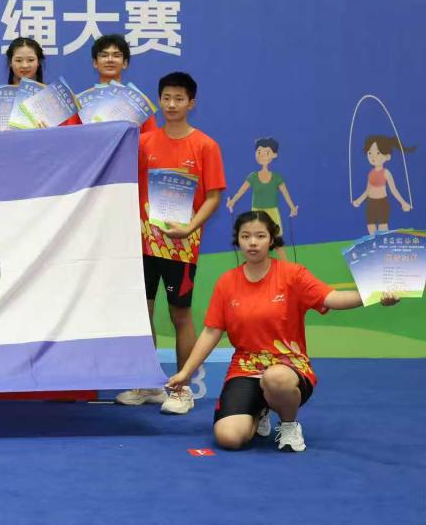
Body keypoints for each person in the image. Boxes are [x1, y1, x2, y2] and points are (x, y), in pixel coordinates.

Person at [167, 211, 399, 452]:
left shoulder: (293, 275)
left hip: (288, 368)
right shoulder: (226, 282)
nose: (253, 242)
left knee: (275, 378)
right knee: (229, 438)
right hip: (245, 368)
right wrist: (186, 372)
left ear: (271, 240)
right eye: (246, 236)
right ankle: (259, 410)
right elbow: (211, 332)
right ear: (238, 240)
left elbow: (333, 298)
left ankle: (288, 425)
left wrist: (374, 295)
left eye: (260, 236)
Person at [117, 71, 226, 414]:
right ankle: (148, 383)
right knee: (143, 312)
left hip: (182, 245)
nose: (172, 104)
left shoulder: (205, 145)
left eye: (179, 99)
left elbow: (213, 196)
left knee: (180, 313)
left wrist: (190, 226)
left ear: (191, 103)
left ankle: (182, 388)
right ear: (159, 101)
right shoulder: (144, 143)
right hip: (143, 242)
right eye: (166, 98)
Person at [226, 137, 299, 259]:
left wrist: (292, 208)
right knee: (256, 240)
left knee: (277, 241)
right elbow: (241, 191)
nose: (262, 156)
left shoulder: (277, 178)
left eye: (266, 152)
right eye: (259, 152)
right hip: (257, 213)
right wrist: (232, 202)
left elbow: (286, 194)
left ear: (274, 155)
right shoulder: (253, 177)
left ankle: (287, 266)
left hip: (272, 213)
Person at [4, 37, 81, 126]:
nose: (25, 65)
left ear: (38, 62)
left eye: (31, 60)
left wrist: (49, 131)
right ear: (10, 62)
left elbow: (71, 131)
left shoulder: (57, 98)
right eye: (18, 60)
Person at [89, 33, 156, 133]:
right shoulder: (82, 102)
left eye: (116, 55)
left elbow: (150, 138)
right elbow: (71, 137)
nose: (110, 60)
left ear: (125, 63)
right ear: (95, 63)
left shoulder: (139, 103)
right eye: (104, 55)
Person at [352, 135, 414, 235]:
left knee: (383, 227)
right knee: (370, 227)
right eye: (370, 153)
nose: (373, 156)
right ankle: (374, 243)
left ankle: (385, 244)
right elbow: (367, 190)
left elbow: (393, 190)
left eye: (377, 153)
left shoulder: (386, 173)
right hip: (370, 203)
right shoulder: (371, 173)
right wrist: (359, 201)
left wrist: (403, 203)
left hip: (382, 203)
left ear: (387, 156)